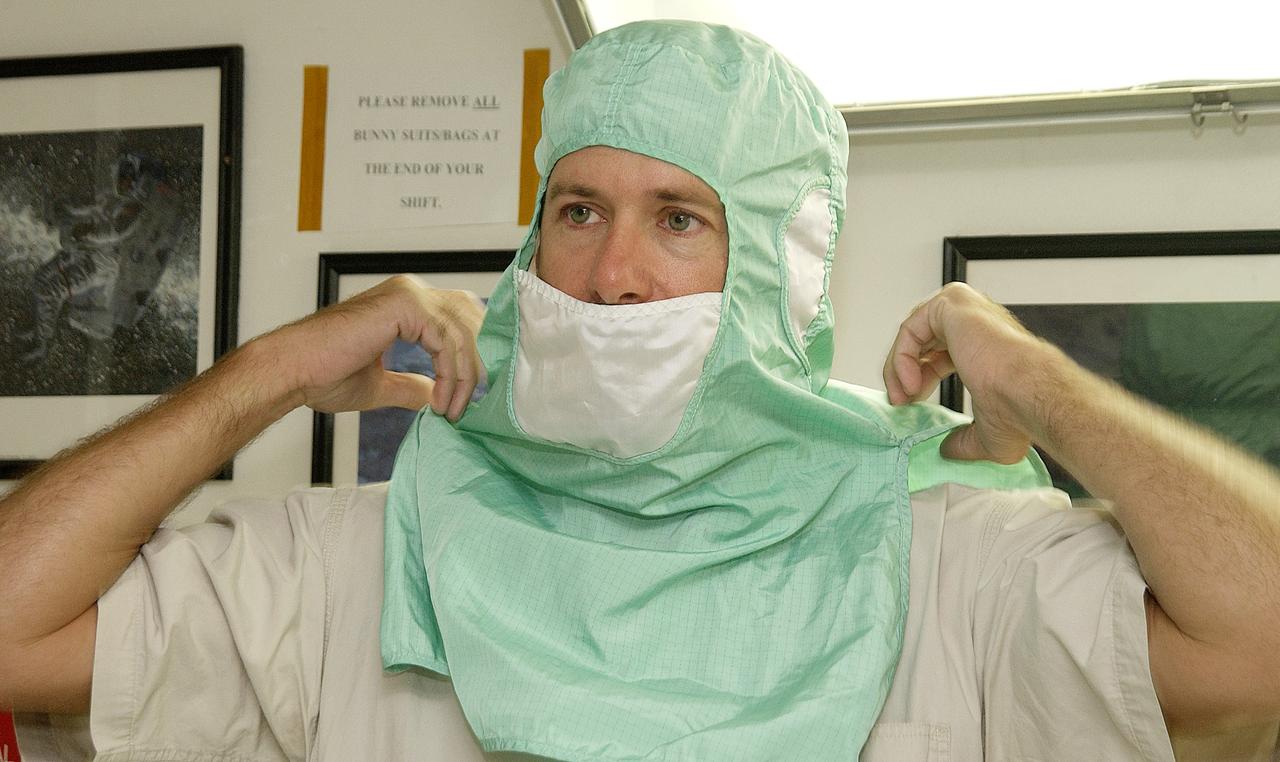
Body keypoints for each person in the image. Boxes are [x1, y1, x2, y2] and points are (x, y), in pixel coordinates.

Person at [2, 20, 1279, 762]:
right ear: (526, 248)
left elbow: (1258, 643)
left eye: (678, 220)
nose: (611, 277)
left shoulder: (940, 556)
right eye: (576, 213)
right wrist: (270, 371)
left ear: (783, 267)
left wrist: (1037, 380)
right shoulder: (373, 555)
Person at [19, 152, 183, 361]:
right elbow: (89, 208)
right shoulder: (111, 197)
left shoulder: (134, 207)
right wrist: (65, 209)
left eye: (130, 180)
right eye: (123, 178)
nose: (126, 184)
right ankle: (37, 326)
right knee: (40, 278)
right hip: (80, 251)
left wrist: (87, 232)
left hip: (98, 264)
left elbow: (117, 231)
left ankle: (42, 343)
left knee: (51, 291)